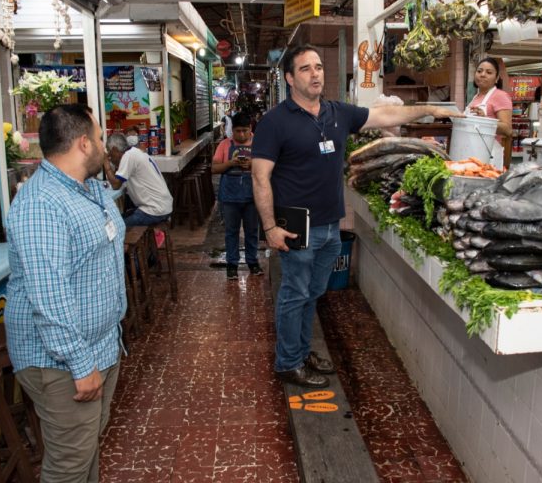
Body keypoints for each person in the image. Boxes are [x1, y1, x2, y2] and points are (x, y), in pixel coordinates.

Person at [251, 44, 462, 388]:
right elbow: (260, 177)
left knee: (313, 293)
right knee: (294, 294)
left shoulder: (338, 113)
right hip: (296, 226)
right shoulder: (274, 122)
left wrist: (430, 109)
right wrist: (270, 227)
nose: (315, 73)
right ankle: (288, 362)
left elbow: (385, 117)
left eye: (319, 67)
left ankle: (301, 352)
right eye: (305, 68)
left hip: (330, 225)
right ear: (289, 78)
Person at [5, 104, 126, 482]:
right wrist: (80, 363)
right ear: (83, 144)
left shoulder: (87, 188)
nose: (105, 146)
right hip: (61, 363)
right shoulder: (43, 204)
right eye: (100, 138)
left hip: (99, 346)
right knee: (69, 465)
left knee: (85, 449)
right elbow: (50, 296)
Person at [212, 112, 263, 280]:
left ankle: (253, 262)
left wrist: (252, 164)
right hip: (230, 196)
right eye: (237, 131)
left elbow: (268, 166)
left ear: (250, 128)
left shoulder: (260, 143)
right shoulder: (224, 145)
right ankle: (232, 264)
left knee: (252, 231)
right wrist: (230, 163)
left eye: (244, 131)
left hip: (253, 195)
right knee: (231, 231)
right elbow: (214, 168)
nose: (241, 135)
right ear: (232, 130)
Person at [103, 133, 173, 227]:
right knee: (118, 219)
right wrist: (114, 164)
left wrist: (106, 163)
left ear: (115, 149)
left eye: (110, 153)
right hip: (162, 206)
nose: (110, 157)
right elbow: (119, 181)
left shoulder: (128, 156)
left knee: (116, 227)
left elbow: (116, 185)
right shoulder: (134, 152)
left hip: (154, 210)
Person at [466, 57, 514, 166]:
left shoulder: (500, 96)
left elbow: (507, 129)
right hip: (472, 150)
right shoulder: (476, 97)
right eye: (479, 71)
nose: (482, 74)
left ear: (496, 78)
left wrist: (485, 120)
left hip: (488, 153)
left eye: (489, 72)